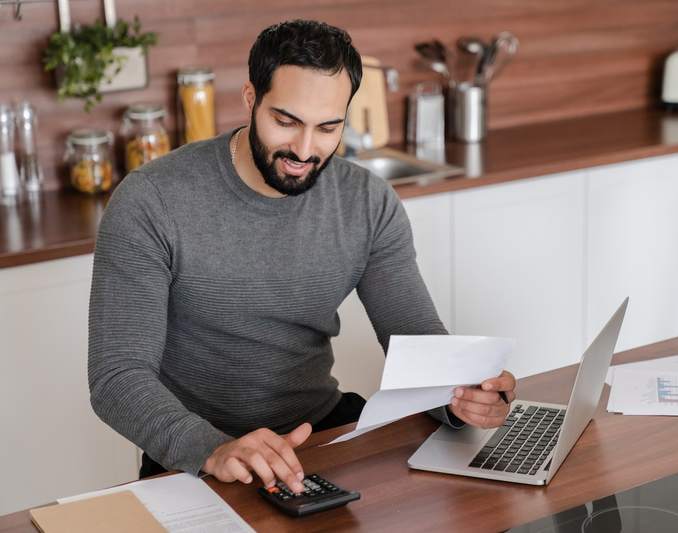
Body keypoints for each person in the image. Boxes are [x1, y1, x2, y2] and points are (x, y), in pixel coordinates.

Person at [88, 19, 517, 495]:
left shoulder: (367, 202)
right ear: (251, 99)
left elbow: (418, 344)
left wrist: (462, 397)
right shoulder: (152, 201)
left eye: (328, 127)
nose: (304, 150)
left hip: (318, 436)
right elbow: (117, 378)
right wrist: (211, 448)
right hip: (199, 455)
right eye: (285, 121)